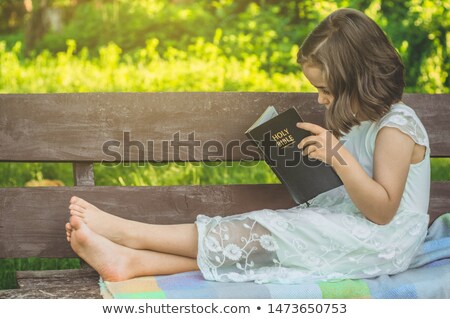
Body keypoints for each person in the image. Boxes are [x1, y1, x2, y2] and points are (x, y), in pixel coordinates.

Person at [65, 8, 430, 284]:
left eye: (326, 91)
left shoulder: (397, 127)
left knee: (271, 231)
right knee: (268, 244)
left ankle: (130, 232)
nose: (321, 101)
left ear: (358, 79)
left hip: (384, 243)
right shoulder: (364, 122)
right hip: (351, 227)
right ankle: (133, 263)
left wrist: (340, 157)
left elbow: (382, 212)